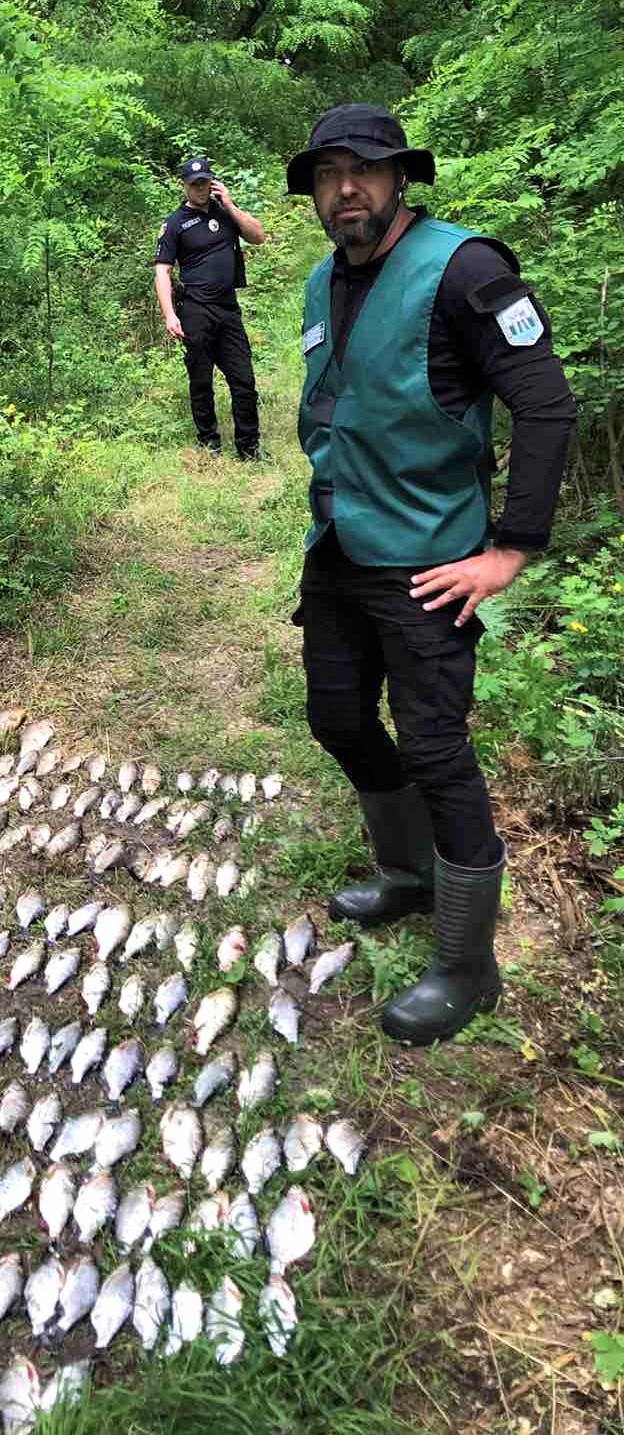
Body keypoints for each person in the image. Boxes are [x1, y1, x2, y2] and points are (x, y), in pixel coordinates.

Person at [286, 104, 576, 1044]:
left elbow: (546, 405)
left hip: (429, 562)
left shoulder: (467, 271)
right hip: (339, 548)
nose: (346, 190)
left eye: (364, 170)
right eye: (328, 174)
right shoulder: (321, 280)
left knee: (437, 750)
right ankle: (408, 875)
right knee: (337, 718)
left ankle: (466, 964)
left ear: (400, 177)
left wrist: (510, 547)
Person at [154, 157, 266, 457]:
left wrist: (230, 204)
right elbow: (163, 271)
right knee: (201, 379)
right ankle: (209, 443)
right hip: (195, 309)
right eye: (194, 184)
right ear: (184, 186)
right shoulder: (175, 223)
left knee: (243, 379)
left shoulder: (225, 212)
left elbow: (258, 236)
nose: (200, 188)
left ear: (212, 182)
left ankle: (249, 447)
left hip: (227, 308)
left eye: (204, 182)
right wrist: (169, 314)